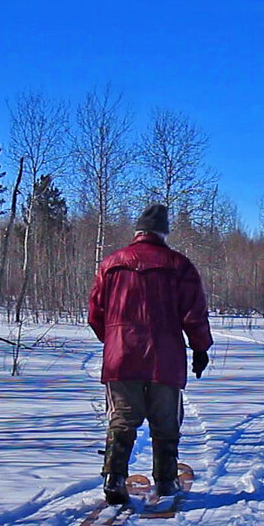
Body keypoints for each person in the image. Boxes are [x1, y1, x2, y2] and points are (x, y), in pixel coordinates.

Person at [87, 204, 213, 504]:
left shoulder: (110, 264)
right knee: (165, 421)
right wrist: (200, 348)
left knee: (122, 420)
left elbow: (95, 313)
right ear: (163, 232)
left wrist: (115, 339)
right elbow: (194, 313)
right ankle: (166, 481)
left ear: (138, 231)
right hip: (164, 356)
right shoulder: (178, 265)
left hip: (121, 358)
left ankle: (114, 478)